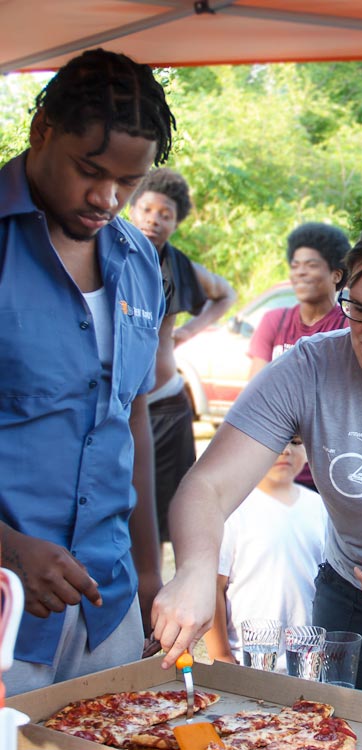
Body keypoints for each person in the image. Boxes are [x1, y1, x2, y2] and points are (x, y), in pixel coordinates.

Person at [151, 209, 362, 697]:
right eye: (359, 308)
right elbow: (208, 485)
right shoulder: (307, 368)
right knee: (337, 731)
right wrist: (193, 570)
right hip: (351, 610)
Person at [0, 48, 176, 696]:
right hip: (6, 615)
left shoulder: (137, 259)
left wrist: (152, 574)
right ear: (41, 129)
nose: (108, 198)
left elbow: (131, 419)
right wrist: (8, 548)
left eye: (128, 182)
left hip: (112, 608)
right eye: (89, 170)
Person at [129, 169, 236, 543]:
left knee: (162, 521)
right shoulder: (106, 255)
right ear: (131, 208)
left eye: (165, 214)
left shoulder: (178, 265)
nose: (154, 220)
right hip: (118, 409)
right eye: (147, 209)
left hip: (165, 404)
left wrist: (190, 330)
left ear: (176, 222)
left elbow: (225, 294)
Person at [203, 436, 327, 671]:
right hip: (249, 659)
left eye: (296, 442)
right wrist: (220, 655)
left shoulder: (320, 507)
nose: (285, 451)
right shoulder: (232, 509)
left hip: (309, 658)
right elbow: (212, 586)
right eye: (274, 440)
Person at [248, 222, 350, 490]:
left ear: (336, 274)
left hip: (328, 476)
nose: (301, 273)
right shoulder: (273, 321)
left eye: (312, 265)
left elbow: (341, 402)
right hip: (275, 472)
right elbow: (255, 396)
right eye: (295, 265)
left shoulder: (349, 328)